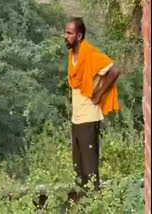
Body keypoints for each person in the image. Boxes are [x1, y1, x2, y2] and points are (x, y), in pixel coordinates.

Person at [64, 17, 120, 196]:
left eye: (69, 33)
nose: (66, 36)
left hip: (89, 117)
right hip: (77, 118)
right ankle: (83, 205)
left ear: (79, 36)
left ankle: (96, 203)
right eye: (66, 32)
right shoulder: (72, 55)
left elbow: (114, 70)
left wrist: (99, 94)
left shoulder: (91, 54)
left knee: (90, 170)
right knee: (78, 168)